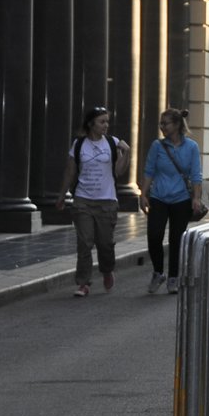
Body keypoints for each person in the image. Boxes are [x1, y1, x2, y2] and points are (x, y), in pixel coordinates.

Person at [58, 106, 129, 298]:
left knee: (105, 244)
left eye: (107, 121)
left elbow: (119, 172)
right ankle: (83, 283)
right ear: (91, 124)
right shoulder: (79, 144)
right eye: (102, 121)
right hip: (83, 200)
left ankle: (107, 270)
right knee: (84, 243)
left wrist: (127, 153)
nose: (106, 125)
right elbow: (70, 171)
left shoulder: (113, 143)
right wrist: (62, 195)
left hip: (107, 201)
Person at [140, 108, 204, 295]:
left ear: (176, 125)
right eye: (161, 123)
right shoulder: (157, 146)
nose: (162, 127)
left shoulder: (191, 147)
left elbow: (196, 175)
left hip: (181, 199)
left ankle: (173, 277)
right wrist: (143, 194)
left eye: (165, 123)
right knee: (154, 235)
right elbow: (149, 171)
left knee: (176, 239)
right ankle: (158, 272)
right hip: (158, 197)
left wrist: (197, 198)